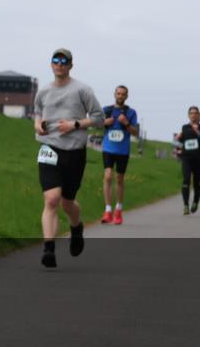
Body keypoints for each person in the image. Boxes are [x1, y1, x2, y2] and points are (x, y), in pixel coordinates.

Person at [33, 48, 105, 268]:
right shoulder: (43, 91)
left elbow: (99, 118)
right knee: (51, 199)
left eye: (64, 61)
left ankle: (76, 228)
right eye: (56, 60)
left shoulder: (82, 90)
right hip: (49, 148)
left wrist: (75, 124)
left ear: (70, 65)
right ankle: (49, 249)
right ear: (51, 64)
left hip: (74, 151)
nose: (59, 64)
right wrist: (37, 124)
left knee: (67, 202)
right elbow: (37, 112)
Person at [100, 85, 139, 225]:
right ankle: (108, 210)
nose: (120, 96)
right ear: (114, 94)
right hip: (108, 148)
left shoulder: (131, 112)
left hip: (123, 150)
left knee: (119, 179)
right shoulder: (107, 110)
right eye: (118, 93)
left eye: (123, 94)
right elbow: (96, 124)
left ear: (126, 96)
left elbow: (135, 133)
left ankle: (118, 210)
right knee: (108, 176)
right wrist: (105, 122)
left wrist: (126, 123)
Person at [175, 106, 200, 214]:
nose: (193, 115)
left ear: (198, 115)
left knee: (196, 182)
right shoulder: (185, 127)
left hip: (199, 158)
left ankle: (195, 202)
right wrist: (178, 139)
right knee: (186, 180)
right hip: (186, 157)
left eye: (195, 113)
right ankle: (186, 205)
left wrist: (198, 132)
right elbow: (179, 141)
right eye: (191, 113)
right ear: (188, 115)